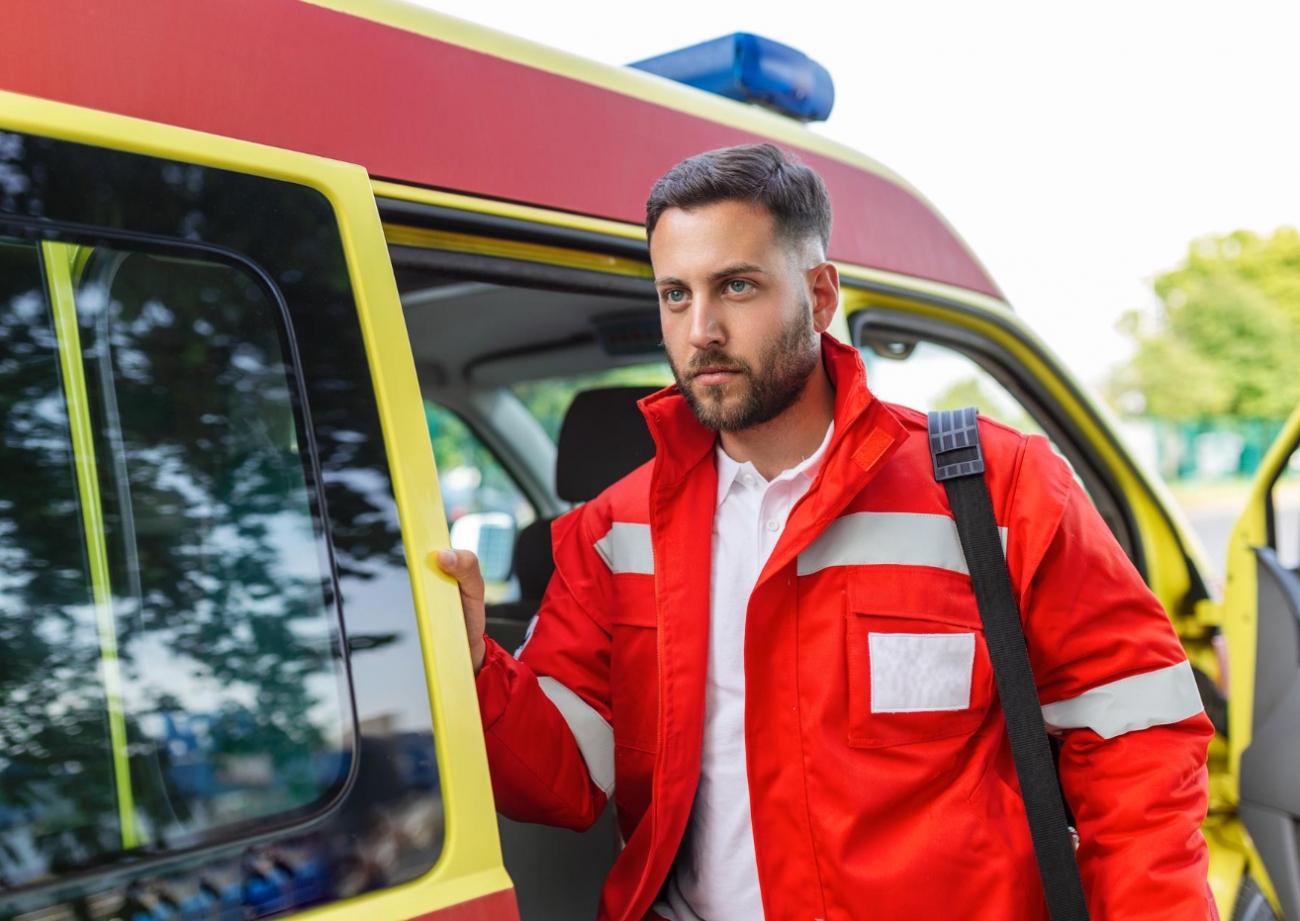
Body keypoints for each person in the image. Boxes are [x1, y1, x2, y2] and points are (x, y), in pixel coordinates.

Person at [437, 143, 1217, 920]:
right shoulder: (613, 532)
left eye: (735, 285)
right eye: (675, 295)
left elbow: (1137, 748)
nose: (700, 329)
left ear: (819, 295)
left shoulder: (999, 489)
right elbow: (566, 778)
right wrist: (470, 661)